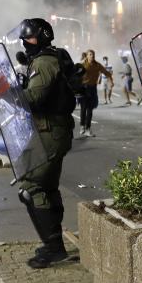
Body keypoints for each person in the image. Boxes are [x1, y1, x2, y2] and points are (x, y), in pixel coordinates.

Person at [15, 18, 76, 269]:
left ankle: (53, 247)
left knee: (31, 187)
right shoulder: (44, 59)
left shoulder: (44, 62)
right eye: (24, 39)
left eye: (29, 38)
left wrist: (9, 93)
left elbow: (35, 96)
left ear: (42, 37)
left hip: (51, 131)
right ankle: (55, 244)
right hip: (49, 130)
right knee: (47, 188)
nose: (25, 43)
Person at [79, 49, 112, 137]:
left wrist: (111, 81)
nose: (92, 56)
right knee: (83, 108)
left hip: (92, 89)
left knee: (90, 109)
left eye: (93, 54)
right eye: (90, 54)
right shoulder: (82, 65)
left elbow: (106, 73)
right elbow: (75, 76)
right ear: (86, 56)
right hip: (84, 89)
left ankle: (88, 129)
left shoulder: (98, 65)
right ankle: (82, 126)